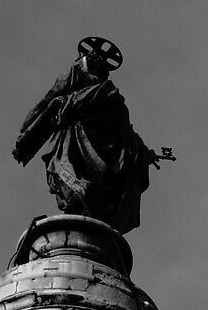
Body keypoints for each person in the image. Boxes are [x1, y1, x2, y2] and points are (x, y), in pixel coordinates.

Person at [12, 37, 175, 235]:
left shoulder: (105, 95)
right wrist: (27, 136)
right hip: (74, 147)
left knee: (83, 190)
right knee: (76, 190)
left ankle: (82, 218)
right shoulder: (90, 89)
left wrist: (142, 153)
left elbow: (125, 135)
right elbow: (47, 104)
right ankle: (79, 216)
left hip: (85, 154)